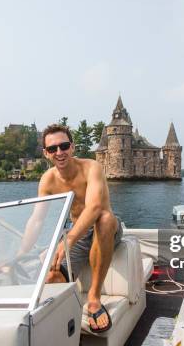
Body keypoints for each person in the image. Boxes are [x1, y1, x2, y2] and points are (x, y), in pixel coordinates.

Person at [36, 123, 122, 333]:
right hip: (78, 233)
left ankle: (93, 298)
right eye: (53, 149)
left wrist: (68, 241)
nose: (59, 152)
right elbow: (37, 220)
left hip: (105, 227)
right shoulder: (47, 180)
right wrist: (19, 252)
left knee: (104, 218)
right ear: (46, 153)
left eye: (64, 146)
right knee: (52, 278)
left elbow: (94, 208)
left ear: (72, 147)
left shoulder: (91, 167)